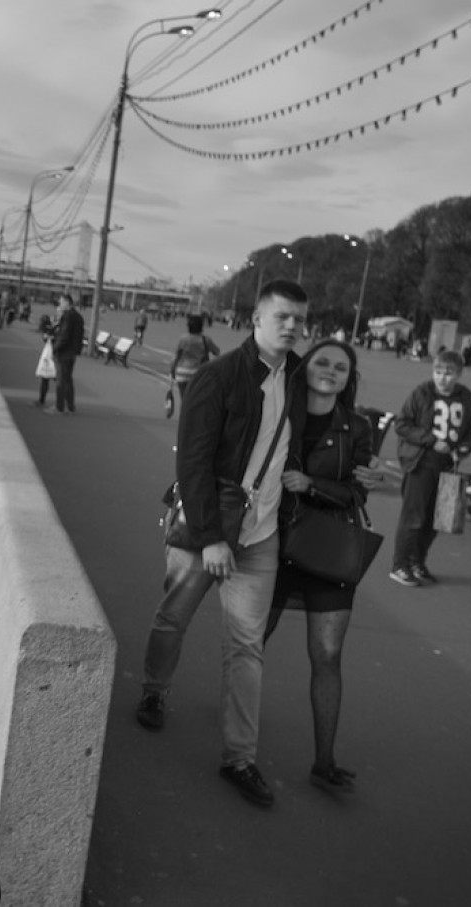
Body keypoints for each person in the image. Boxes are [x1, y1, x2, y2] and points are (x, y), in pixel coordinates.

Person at [135, 279, 309, 809]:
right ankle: (154, 690)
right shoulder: (219, 376)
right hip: (210, 529)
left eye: (299, 320)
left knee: (246, 647)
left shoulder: (298, 379)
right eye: (281, 317)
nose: (291, 328)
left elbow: (300, 440)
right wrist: (211, 537)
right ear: (255, 319)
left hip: (261, 536)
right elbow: (191, 461)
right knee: (173, 618)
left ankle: (240, 756)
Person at [265, 339, 373, 794]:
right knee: (252, 642)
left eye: (341, 368)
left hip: (327, 547)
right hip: (270, 542)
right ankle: (235, 723)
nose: (330, 371)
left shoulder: (358, 427)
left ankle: (324, 761)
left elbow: (358, 492)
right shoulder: (277, 412)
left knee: (327, 655)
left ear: (349, 379)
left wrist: (313, 485)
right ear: (305, 367)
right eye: (323, 362)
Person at [388, 350, 471, 587]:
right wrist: (430, 440)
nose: (442, 378)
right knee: (413, 516)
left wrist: (464, 448)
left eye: (448, 374)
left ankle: (418, 561)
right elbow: (402, 424)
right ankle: (400, 564)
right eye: (438, 372)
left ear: (458, 374)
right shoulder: (422, 393)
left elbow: (469, 429)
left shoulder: (464, 398)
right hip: (421, 462)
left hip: (448, 465)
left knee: (435, 519)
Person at [170, 314, 222, 401]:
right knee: (196, 400)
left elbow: (176, 356)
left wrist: (172, 370)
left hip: (182, 371)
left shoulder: (183, 339)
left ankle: (184, 413)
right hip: (198, 373)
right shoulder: (206, 339)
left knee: (184, 399)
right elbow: (217, 353)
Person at [49, 294, 84, 414]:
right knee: (68, 379)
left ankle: (59, 407)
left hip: (64, 352)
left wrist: (55, 348)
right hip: (72, 353)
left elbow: (64, 335)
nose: (60, 305)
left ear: (67, 302)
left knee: (61, 380)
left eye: (61, 302)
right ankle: (70, 405)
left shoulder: (67, 316)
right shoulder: (78, 316)